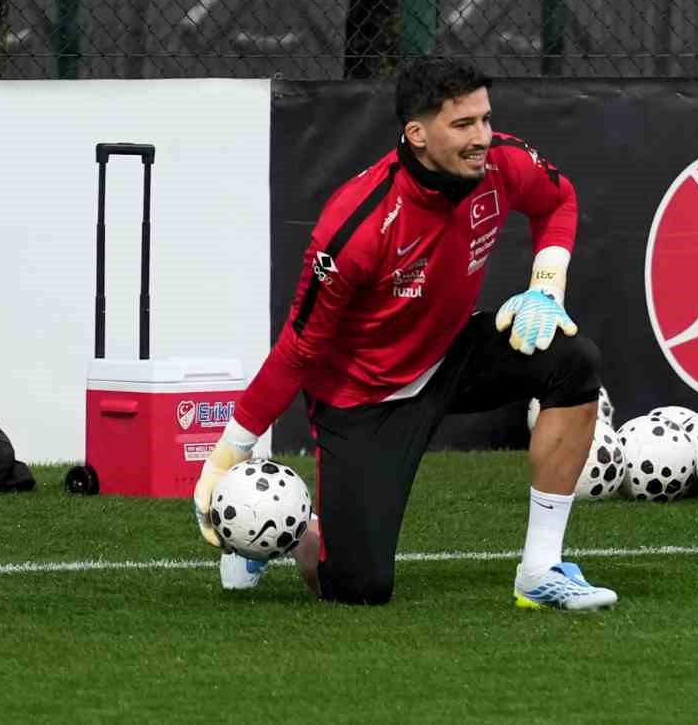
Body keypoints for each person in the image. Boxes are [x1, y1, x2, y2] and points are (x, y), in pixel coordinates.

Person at [193, 56, 616, 610]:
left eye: (485, 120)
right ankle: (278, 525)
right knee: (357, 590)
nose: (482, 138)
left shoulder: (501, 163)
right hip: (362, 398)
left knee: (573, 360)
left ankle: (541, 571)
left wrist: (546, 285)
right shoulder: (356, 226)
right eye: (463, 126)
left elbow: (557, 199)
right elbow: (299, 350)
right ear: (416, 133)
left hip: (449, 352)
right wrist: (229, 452)